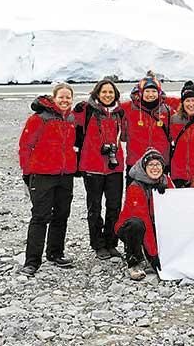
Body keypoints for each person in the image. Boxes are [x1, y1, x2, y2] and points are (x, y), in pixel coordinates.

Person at [18, 83, 77, 276]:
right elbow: (25, 146)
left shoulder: (70, 118)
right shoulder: (39, 119)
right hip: (42, 174)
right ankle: (32, 261)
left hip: (65, 174)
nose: (65, 100)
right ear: (54, 98)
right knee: (40, 216)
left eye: (68, 97)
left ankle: (55, 253)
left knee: (61, 215)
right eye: (61, 96)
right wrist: (27, 172)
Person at [73, 79, 126, 260]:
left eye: (110, 92)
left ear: (115, 94)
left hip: (114, 167)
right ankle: (98, 244)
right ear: (97, 93)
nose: (107, 95)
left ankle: (111, 242)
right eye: (104, 92)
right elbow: (68, 121)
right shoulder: (86, 110)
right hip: (92, 166)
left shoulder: (120, 113)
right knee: (94, 208)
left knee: (114, 206)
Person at [114, 148, 174, 280]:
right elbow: (144, 218)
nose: (155, 168)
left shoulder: (166, 181)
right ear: (144, 167)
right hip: (132, 225)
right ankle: (134, 261)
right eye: (150, 165)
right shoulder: (136, 187)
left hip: (155, 223)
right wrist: (153, 256)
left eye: (158, 164)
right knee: (136, 225)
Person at [122, 74, 175, 182]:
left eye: (154, 91)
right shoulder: (128, 108)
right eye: (147, 91)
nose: (151, 94)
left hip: (160, 163)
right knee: (135, 196)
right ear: (141, 92)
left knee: (160, 198)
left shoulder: (167, 111)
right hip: (135, 162)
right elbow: (109, 106)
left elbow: (189, 106)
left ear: (159, 93)